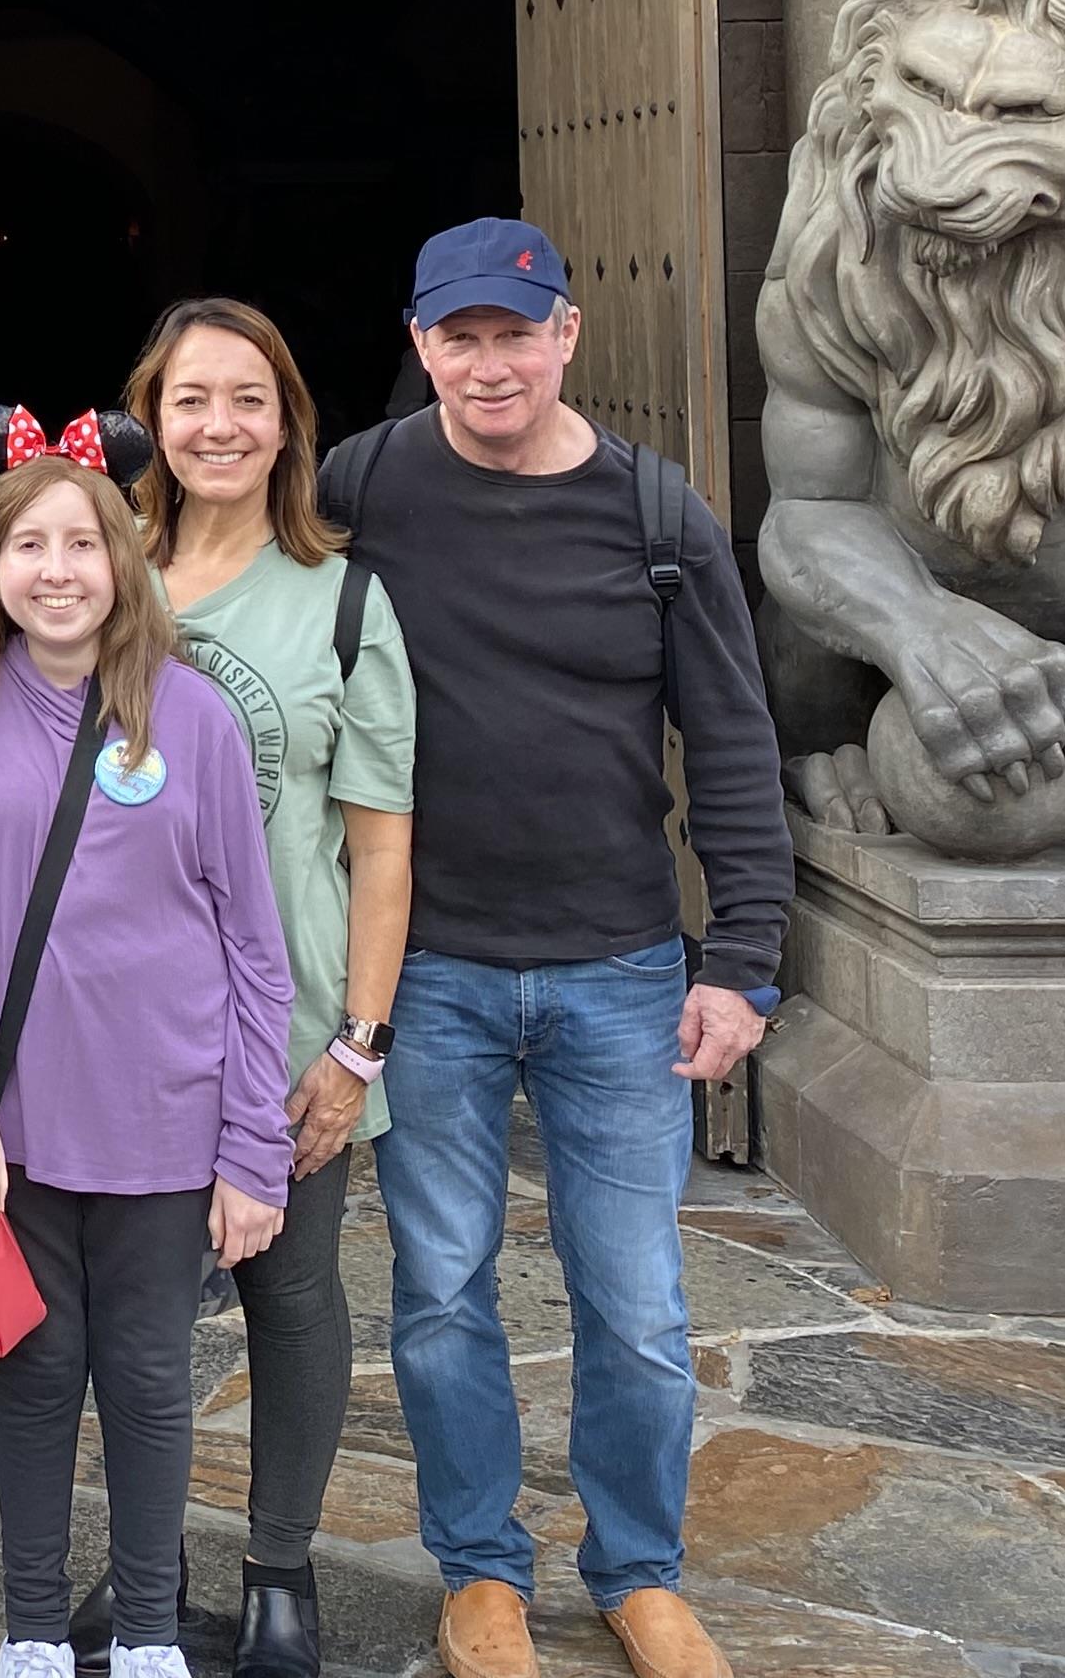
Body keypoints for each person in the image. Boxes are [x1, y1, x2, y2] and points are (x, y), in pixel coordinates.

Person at [329, 219, 786, 1678]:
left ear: (566, 335)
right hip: (432, 971)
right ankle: (480, 1571)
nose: (487, 365)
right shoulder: (363, 485)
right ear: (420, 348)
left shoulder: (659, 515)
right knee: (443, 1290)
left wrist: (744, 959)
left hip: (619, 967)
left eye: (512, 335)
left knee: (638, 1304)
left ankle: (639, 1569)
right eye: (456, 339)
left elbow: (730, 740)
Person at [0, 450, 294, 1678]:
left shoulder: (195, 715)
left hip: (167, 1119)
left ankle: (149, 1636)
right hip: (10, 1125)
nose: (57, 572)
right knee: (35, 1369)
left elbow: (254, 948)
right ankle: (28, 1630)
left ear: (122, 561)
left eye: (82, 544)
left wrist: (253, 1150)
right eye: (29, 547)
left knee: (148, 1377)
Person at [125, 300, 417, 1678]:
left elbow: (379, 847)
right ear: (154, 419)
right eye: (192, 400)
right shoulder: (95, 571)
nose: (220, 425)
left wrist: (355, 1047)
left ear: (289, 422)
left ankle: (281, 1572)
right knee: (134, 1323)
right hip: (111, 1037)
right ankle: (146, 1574)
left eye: (249, 398)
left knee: (291, 1304)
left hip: (284, 1032)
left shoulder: (348, 600)